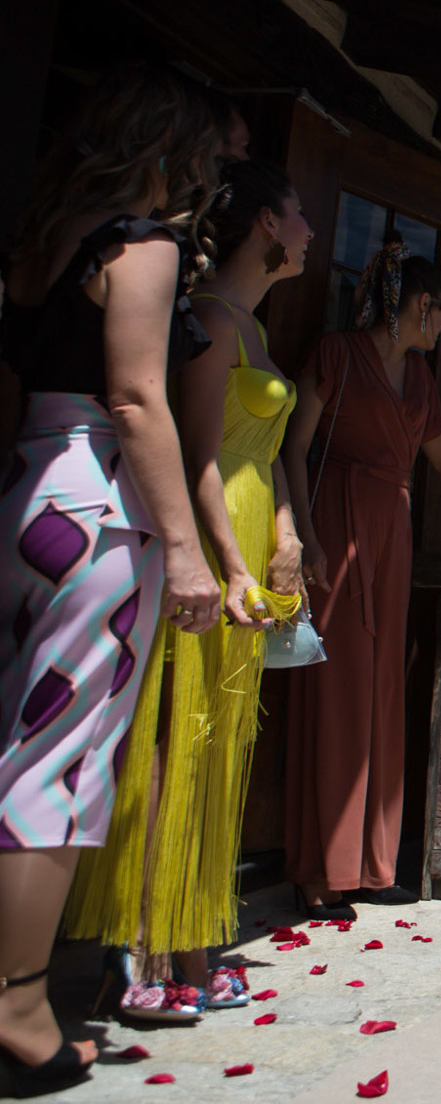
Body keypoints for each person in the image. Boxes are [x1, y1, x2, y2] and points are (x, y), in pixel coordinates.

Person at [0, 64, 223, 1092]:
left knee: (19, 731)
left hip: (29, 484)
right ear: (167, 145)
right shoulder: (143, 242)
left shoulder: (48, 238)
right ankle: (17, 1007)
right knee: (60, 757)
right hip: (97, 501)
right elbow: (138, 398)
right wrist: (182, 550)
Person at [65, 159, 313, 1021]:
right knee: (176, 730)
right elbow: (201, 450)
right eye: (301, 215)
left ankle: (190, 937)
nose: (313, 231)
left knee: (222, 741)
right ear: (269, 228)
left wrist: (285, 533)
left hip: (254, 528)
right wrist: (229, 560)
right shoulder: (209, 318)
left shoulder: (257, 329)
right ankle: (136, 943)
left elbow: (271, 451)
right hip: (211, 537)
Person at [281, 235, 441, 918]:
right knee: (334, 687)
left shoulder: (421, 381)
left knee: (380, 689)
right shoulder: (336, 353)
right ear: (423, 305)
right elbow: (295, 447)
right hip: (336, 520)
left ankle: (371, 863)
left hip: (391, 529)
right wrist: (302, 535)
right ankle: (318, 866)